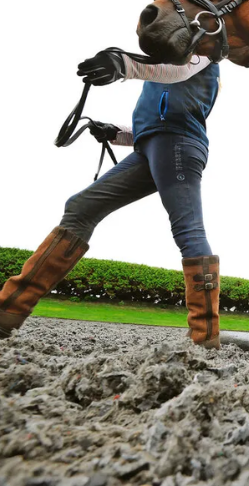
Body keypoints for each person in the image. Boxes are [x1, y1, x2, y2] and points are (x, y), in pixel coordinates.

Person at [0, 50, 223, 349]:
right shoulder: (166, 62)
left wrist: (122, 65)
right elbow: (154, 123)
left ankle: (205, 337)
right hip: (153, 147)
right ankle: (8, 311)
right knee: (81, 207)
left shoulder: (203, 53)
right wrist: (115, 132)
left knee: (189, 231)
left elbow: (176, 75)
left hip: (178, 145)